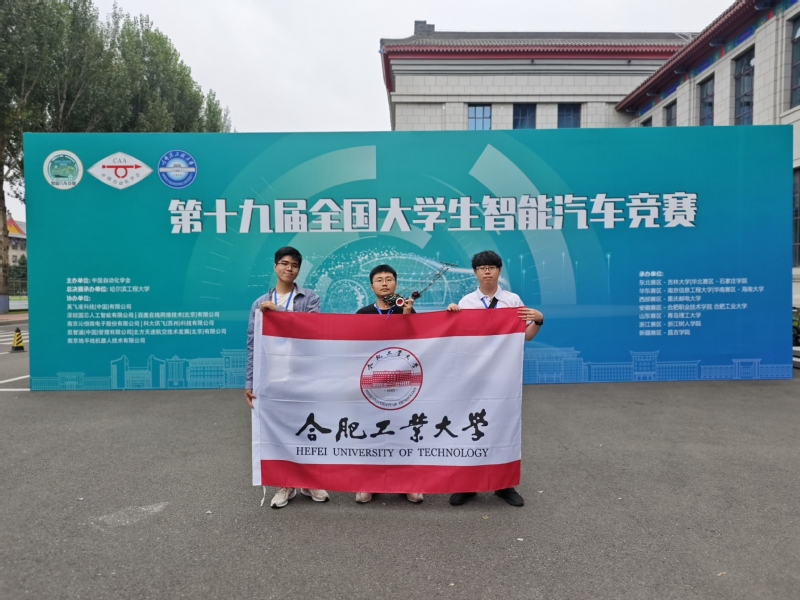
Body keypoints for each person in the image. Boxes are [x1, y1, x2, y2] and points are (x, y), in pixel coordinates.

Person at [446, 250, 544, 507]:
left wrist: (538, 321)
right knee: (470, 426)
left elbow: (526, 336)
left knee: (503, 426)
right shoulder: (466, 302)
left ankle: (504, 485)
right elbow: (455, 339)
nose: (487, 271)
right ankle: (468, 485)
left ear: (499, 271)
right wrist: (451, 316)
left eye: (491, 267)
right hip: (473, 376)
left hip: (503, 376)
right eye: (482, 268)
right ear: (475, 273)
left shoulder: (512, 301)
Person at [245, 246, 330, 509]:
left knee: (308, 426)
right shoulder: (259, 304)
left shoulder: (309, 298)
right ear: (275, 267)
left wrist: (279, 315)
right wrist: (250, 382)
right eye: (284, 263)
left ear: (298, 270)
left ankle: (309, 481)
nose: (288, 268)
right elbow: (253, 344)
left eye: (294, 265)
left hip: (304, 373)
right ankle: (286, 484)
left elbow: (312, 330)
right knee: (280, 429)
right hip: (272, 376)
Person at [354, 264, 424, 505]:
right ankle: (369, 482)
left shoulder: (407, 309)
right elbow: (354, 348)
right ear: (371, 286)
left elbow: (417, 342)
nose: (384, 283)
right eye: (379, 280)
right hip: (372, 383)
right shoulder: (362, 314)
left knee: (404, 430)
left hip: (403, 383)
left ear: (396, 283)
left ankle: (407, 482)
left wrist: (407, 314)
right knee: (371, 432)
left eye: (389, 279)